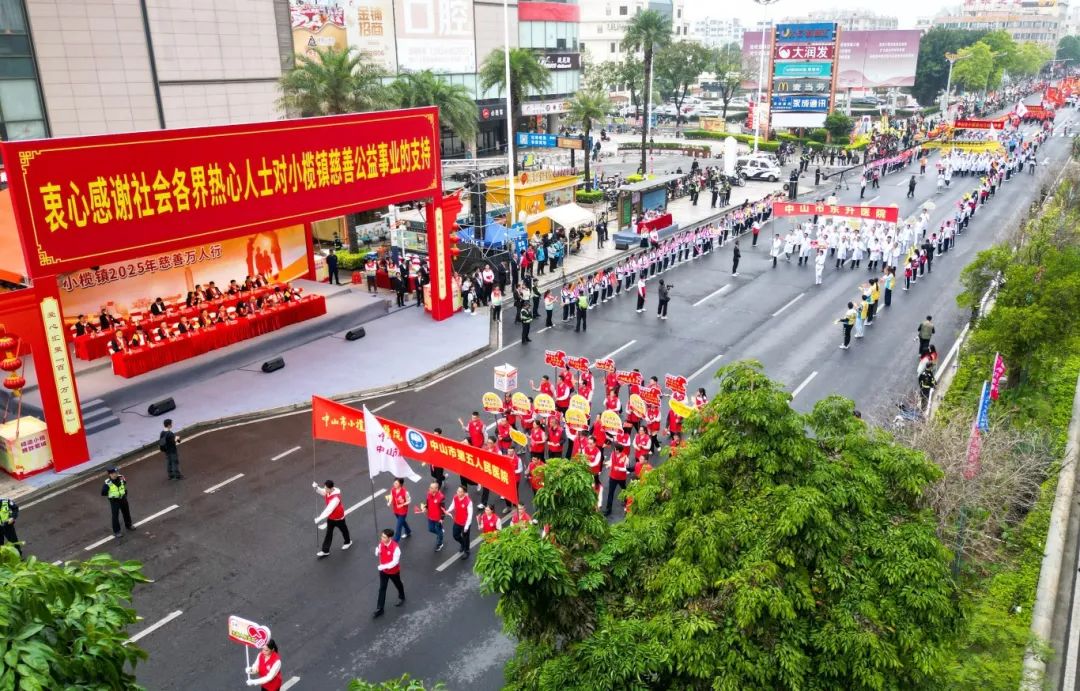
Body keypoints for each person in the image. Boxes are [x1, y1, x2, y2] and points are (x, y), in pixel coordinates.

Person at [313, 480, 352, 557]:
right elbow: (323, 492)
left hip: (339, 518)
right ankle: (325, 550)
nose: (325, 489)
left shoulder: (336, 498)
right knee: (329, 533)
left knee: (344, 530)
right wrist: (316, 488)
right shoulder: (328, 491)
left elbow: (329, 509)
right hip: (331, 517)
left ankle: (348, 542)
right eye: (325, 488)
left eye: (326, 488)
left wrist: (319, 518)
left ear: (331, 488)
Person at [373, 528, 405, 617]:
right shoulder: (381, 544)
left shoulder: (396, 549)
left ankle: (402, 596)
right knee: (382, 588)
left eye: (384, 537)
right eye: (382, 536)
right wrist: (377, 551)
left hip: (393, 572)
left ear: (389, 538)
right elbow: (377, 552)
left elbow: (394, 563)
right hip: (383, 572)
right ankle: (380, 608)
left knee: (398, 584)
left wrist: (382, 567)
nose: (382, 538)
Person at [101, 467, 134, 539]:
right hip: (114, 501)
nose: (116, 474)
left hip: (123, 498)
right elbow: (103, 493)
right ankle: (117, 531)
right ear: (110, 474)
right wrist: (112, 495)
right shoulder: (107, 483)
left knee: (126, 512)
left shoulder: (121, 478)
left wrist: (124, 494)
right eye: (114, 473)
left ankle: (129, 525)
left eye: (117, 472)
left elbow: (124, 484)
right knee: (115, 516)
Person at [450, 485, 474, 560]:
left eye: (460, 492)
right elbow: (452, 505)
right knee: (455, 535)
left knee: (466, 538)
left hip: (465, 523)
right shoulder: (455, 497)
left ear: (464, 493)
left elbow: (470, 515)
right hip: (457, 521)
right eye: (457, 491)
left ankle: (467, 551)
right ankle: (462, 544)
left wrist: (467, 526)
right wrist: (448, 510)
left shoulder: (468, 502)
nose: (458, 493)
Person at [423, 482, 445, 551]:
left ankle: (440, 544)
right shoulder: (428, 494)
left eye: (432, 488)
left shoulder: (441, 497)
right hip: (430, 516)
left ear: (436, 489)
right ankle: (440, 533)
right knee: (431, 529)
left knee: (438, 530)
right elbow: (427, 503)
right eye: (430, 487)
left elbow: (443, 509)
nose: (430, 489)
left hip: (438, 518)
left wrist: (442, 518)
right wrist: (425, 508)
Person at [389, 477, 412, 542]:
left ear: (400, 484)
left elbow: (409, 501)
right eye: (394, 483)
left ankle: (395, 541)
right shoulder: (393, 490)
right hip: (396, 510)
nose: (394, 484)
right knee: (403, 522)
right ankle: (408, 531)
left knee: (398, 526)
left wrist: (402, 505)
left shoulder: (405, 492)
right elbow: (391, 496)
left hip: (403, 512)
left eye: (396, 483)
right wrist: (389, 502)